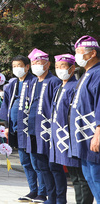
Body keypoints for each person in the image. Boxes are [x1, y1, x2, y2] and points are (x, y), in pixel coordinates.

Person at [50, 54, 93, 204]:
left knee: (80, 176)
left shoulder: (74, 87)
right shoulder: (59, 87)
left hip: (72, 136)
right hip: (60, 136)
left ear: (72, 68)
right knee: (73, 175)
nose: (59, 70)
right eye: (57, 67)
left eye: (62, 66)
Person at [0, 55, 42, 202]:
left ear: (27, 67)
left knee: (36, 162)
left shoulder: (35, 82)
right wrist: (6, 126)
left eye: (19, 65)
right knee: (25, 162)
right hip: (17, 129)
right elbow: (6, 106)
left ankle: (42, 191)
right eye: (14, 66)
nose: (16, 69)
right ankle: (33, 190)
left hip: (31, 130)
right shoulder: (13, 84)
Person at [26, 49, 61, 204]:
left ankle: (56, 197)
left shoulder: (53, 81)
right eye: (33, 63)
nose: (35, 66)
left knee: (51, 166)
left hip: (46, 130)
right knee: (39, 165)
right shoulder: (33, 82)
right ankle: (46, 195)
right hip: (33, 129)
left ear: (47, 64)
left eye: (38, 62)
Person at [69, 36, 100, 202]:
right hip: (83, 137)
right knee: (89, 177)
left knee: (97, 177)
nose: (77, 56)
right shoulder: (86, 74)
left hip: (93, 136)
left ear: (93, 53)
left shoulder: (98, 74)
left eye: (80, 52)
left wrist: (98, 133)